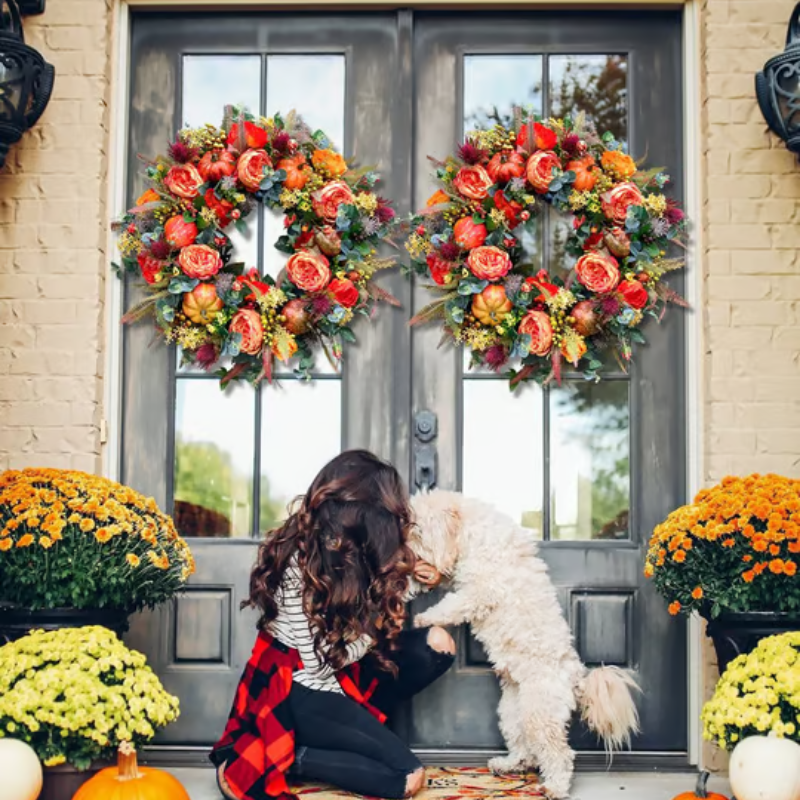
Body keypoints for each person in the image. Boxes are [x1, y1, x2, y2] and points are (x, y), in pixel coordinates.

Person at [211, 450, 455, 800]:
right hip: (299, 684)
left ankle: (353, 732)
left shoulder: (356, 548)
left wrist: (419, 581)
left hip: (342, 668)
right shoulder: (297, 561)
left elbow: (373, 611)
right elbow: (318, 666)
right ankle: (293, 757)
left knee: (438, 644)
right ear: (361, 514)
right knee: (406, 777)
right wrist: (373, 633)